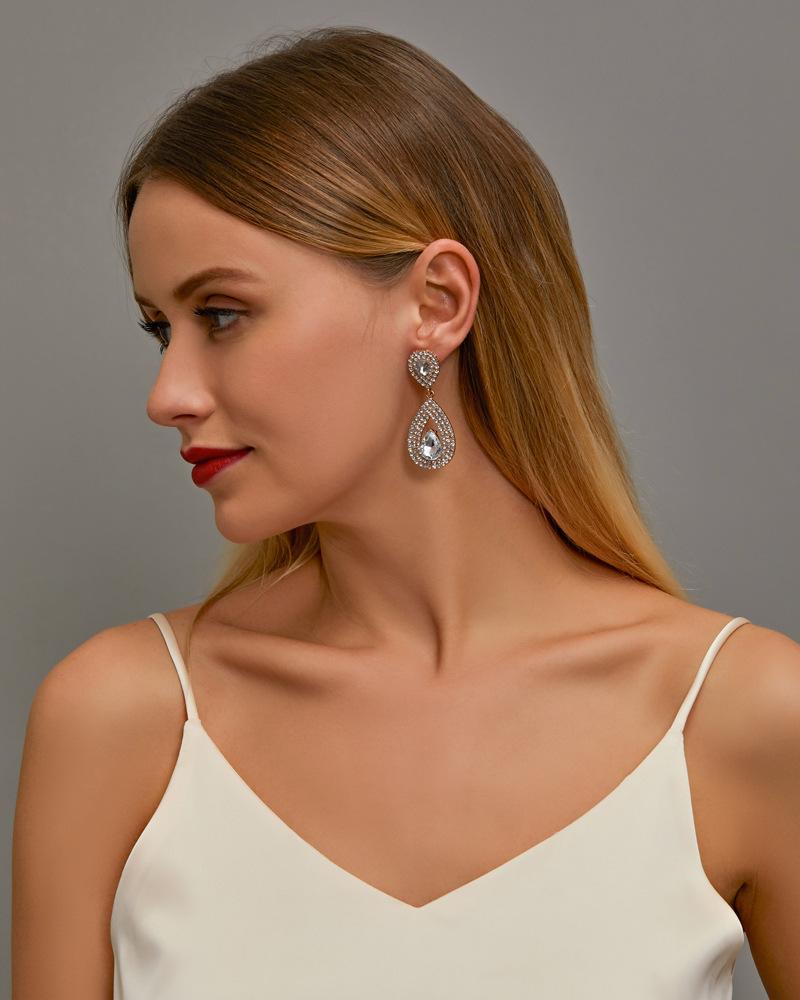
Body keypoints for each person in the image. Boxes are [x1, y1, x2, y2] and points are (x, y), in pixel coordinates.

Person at [11, 24, 799, 1000]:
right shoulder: (120, 719)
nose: (167, 392)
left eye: (220, 315)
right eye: (158, 329)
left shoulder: (740, 718)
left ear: (436, 302)